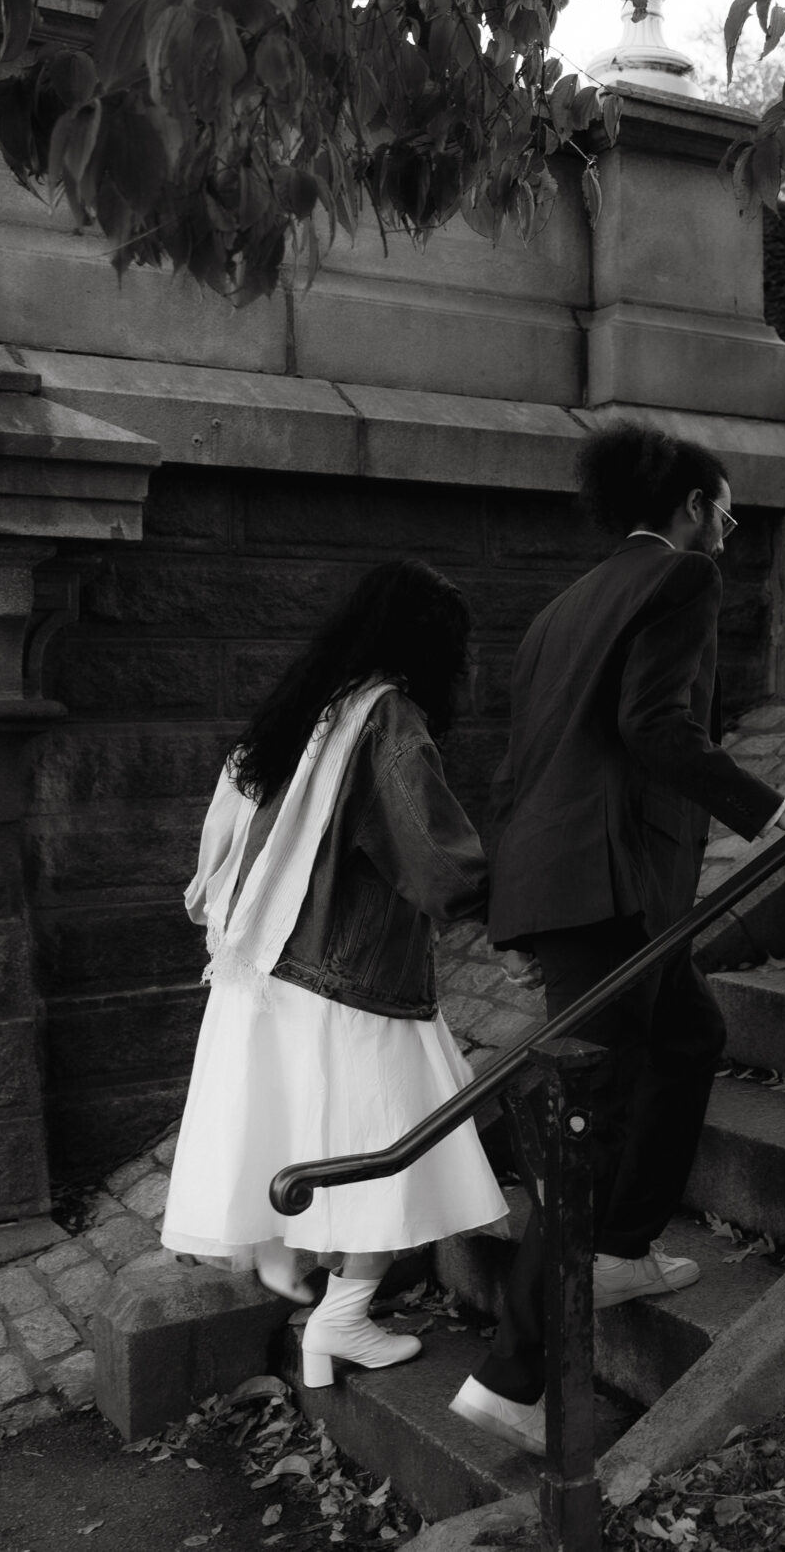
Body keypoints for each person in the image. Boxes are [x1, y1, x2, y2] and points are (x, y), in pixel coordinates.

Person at [447, 423, 785, 1455]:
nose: (726, 530)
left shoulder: (560, 608)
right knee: (584, 1113)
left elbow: (534, 755)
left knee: (686, 1036)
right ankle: (511, 1375)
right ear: (689, 508)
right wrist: (779, 810)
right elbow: (653, 726)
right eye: (723, 510)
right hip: (608, 885)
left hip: (571, 881)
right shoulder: (679, 580)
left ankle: (624, 1245)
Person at [163, 559, 510, 1389]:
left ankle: (331, 1323)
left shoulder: (307, 710)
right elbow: (439, 864)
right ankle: (342, 1318)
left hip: (271, 972)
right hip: (353, 979)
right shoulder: (386, 716)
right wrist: (522, 895)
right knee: (402, 1152)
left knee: (329, 1153)